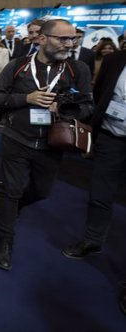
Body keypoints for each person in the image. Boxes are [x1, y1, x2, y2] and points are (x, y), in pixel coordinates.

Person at [0, 18, 93, 271]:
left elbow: (89, 105)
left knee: (42, 191)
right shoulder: (18, 66)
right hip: (16, 138)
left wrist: (65, 108)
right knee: (10, 191)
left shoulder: (77, 70)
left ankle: (18, 206)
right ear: (43, 39)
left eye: (72, 38)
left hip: (52, 143)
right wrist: (28, 97)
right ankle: (5, 240)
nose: (69, 43)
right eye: (62, 38)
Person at [62, 49, 126, 260]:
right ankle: (93, 240)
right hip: (110, 136)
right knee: (100, 193)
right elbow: (98, 95)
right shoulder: (114, 59)